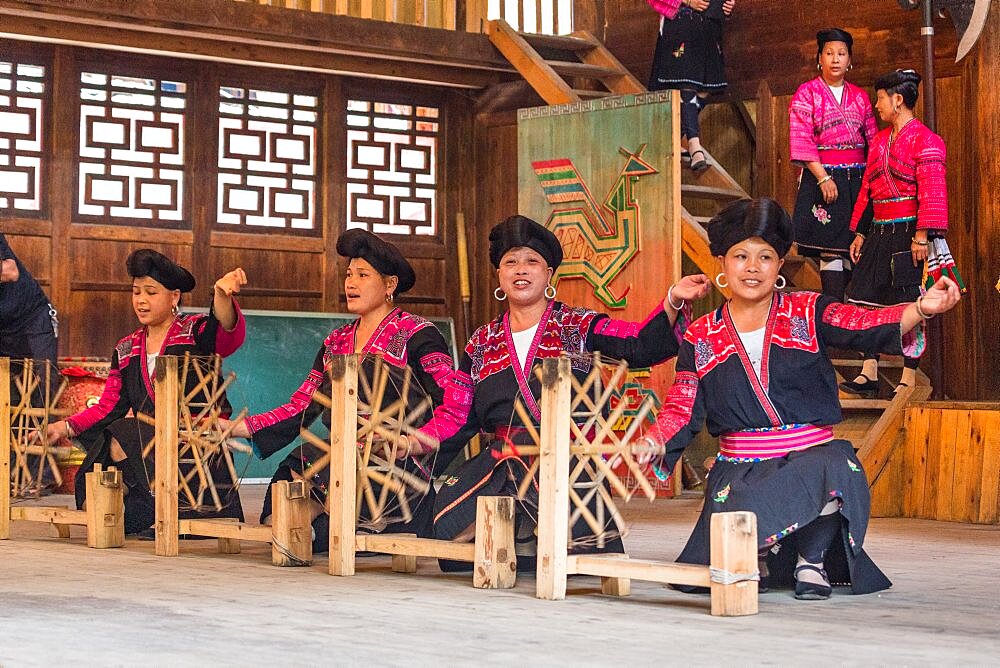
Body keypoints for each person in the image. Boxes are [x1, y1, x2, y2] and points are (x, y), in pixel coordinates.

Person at [636, 197, 960, 599]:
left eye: (765, 257)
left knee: (837, 465)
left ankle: (812, 559)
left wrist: (920, 309)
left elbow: (860, 324)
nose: (752, 267)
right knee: (738, 493)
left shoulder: (808, 310)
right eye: (740, 256)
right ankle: (759, 556)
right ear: (722, 262)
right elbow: (681, 405)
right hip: (742, 466)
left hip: (809, 455)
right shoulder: (700, 335)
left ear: (778, 268)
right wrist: (655, 440)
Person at [416, 215, 711, 565]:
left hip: (566, 463)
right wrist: (414, 442)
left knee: (580, 540)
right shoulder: (482, 342)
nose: (520, 270)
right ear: (499, 275)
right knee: (446, 523)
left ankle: (529, 536)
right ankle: (523, 536)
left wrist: (673, 299)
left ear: (549, 273)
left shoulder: (577, 325)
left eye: (532, 262)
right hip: (500, 458)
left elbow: (637, 343)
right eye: (510, 262)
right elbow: (456, 413)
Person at [222, 229, 465, 553]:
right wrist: (240, 427)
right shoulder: (335, 343)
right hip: (338, 454)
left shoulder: (417, 335)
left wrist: (411, 443)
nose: (351, 283)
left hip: (392, 467)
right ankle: (291, 530)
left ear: (390, 284)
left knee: (327, 481)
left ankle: (299, 531)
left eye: (363, 275)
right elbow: (303, 404)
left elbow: (452, 403)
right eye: (349, 274)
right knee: (299, 465)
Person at [36, 250, 248, 534]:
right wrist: (63, 427)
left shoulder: (196, 332)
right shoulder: (126, 348)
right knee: (112, 433)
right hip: (151, 448)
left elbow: (224, 328)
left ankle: (138, 504)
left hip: (197, 444)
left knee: (124, 432)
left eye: (151, 292)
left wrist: (221, 295)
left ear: (174, 297)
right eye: (136, 292)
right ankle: (113, 504)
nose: (141, 301)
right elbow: (108, 405)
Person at [842, 69, 948, 398]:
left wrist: (921, 237)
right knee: (865, 300)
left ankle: (908, 377)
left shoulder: (926, 140)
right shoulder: (878, 142)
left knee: (910, 303)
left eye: (881, 98)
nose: (877, 106)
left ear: (898, 100)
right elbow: (867, 192)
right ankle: (869, 371)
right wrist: (860, 233)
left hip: (909, 235)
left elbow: (932, 192)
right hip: (879, 233)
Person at [789, 28, 878, 302]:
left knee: (854, 244)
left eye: (841, 53)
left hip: (858, 179)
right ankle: (832, 306)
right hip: (823, 177)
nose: (835, 59)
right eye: (829, 53)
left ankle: (851, 307)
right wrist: (822, 178)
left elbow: (873, 141)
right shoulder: (807, 93)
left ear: (850, 59)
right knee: (830, 248)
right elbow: (801, 138)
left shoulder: (861, 97)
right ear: (820, 58)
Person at [647, 0, 736, 172]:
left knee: (705, 88)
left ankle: (671, 139)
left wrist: (728, 5)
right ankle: (694, 145)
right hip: (683, 21)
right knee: (687, 83)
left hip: (709, 25)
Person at [0, 231, 58, 372]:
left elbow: (11, 272)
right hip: (3, 327)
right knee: (7, 389)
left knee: (42, 384)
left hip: (31, 320)